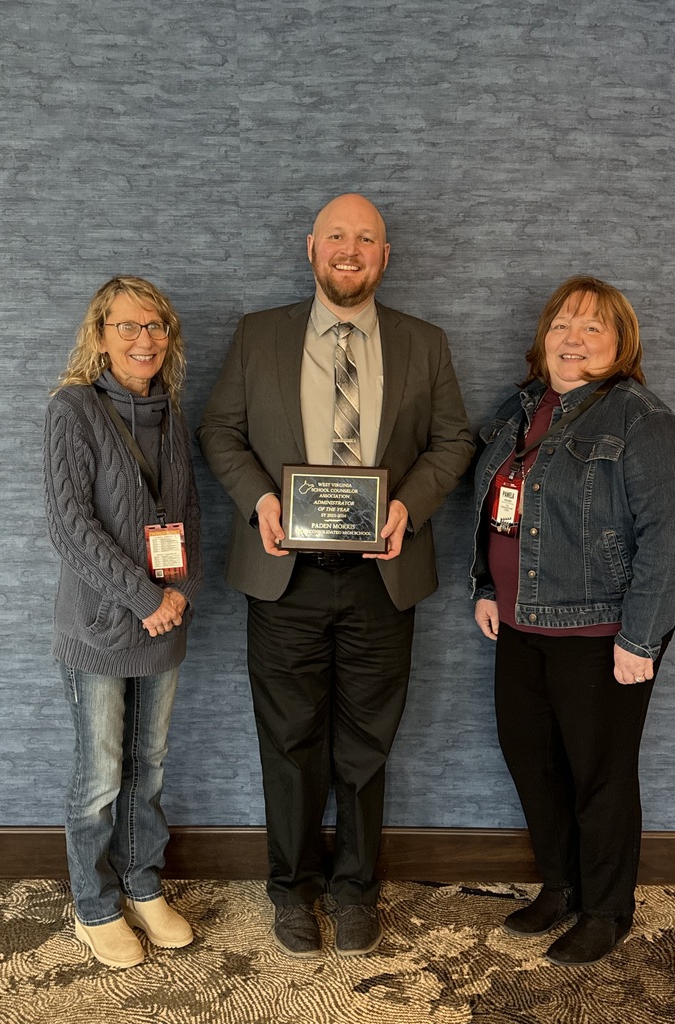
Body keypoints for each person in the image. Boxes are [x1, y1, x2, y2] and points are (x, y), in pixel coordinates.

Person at [197, 193, 474, 958]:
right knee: (287, 741)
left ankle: (354, 889)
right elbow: (218, 429)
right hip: (285, 574)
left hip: (382, 577)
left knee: (367, 743)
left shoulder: (425, 342)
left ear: (385, 257)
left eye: (367, 240)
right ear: (310, 247)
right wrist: (258, 500)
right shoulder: (259, 336)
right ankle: (291, 889)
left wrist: (408, 509)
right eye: (337, 237)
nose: (350, 251)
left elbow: (454, 441)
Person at [469, 275, 675, 967]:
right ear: (544, 338)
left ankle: (606, 910)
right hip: (517, 626)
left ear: (620, 344)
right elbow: (492, 501)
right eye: (564, 324)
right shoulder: (521, 407)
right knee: (533, 764)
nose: (574, 338)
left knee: (599, 777)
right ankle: (561, 887)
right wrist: (484, 584)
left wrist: (640, 637)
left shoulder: (638, 418)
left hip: (600, 638)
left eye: (593, 328)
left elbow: (670, 535)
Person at [43, 276, 203, 968]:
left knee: (150, 769)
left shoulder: (170, 409)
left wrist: (180, 594)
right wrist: (146, 598)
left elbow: (189, 513)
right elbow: (70, 527)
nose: (145, 340)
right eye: (129, 327)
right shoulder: (73, 410)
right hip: (102, 627)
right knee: (100, 776)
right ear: (100, 336)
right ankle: (93, 903)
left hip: (165, 624)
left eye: (156, 327)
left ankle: (141, 885)